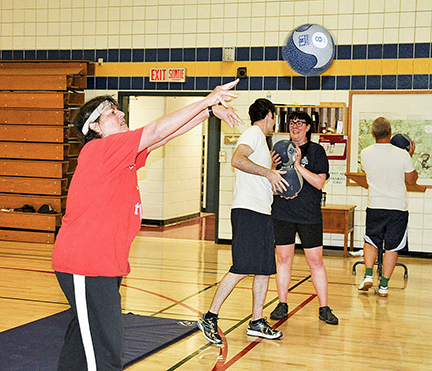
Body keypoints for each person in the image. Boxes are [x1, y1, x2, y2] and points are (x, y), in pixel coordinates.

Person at [51, 79, 243, 371]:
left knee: (83, 339)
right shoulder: (100, 151)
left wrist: (208, 113)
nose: (121, 115)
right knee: (106, 350)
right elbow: (153, 131)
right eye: (112, 113)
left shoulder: (120, 158)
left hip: (102, 265)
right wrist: (206, 101)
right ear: (95, 127)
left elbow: (160, 138)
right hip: (85, 265)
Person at [197, 98, 288, 344]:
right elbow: (237, 160)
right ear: (270, 114)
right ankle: (209, 316)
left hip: (261, 212)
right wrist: (268, 171)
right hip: (248, 212)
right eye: (274, 117)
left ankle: (257, 322)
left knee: (265, 269)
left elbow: (254, 172)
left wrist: (269, 168)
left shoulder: (260, 141)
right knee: (241, 269)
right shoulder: (254, 133)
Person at [270, 111, 338, 325]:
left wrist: (298, 165)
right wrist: (272, 169)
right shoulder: (280, 149)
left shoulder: (317, 151)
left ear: (308, 127)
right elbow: (270, 186)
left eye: (300, 123)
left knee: (316, 262)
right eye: (292, 123)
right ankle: (282, 303)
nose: (295, 126)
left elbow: (319, 182)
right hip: (283, 213)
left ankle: (324, 307)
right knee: (283, 260)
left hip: (309, 215)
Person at [358, 117, 418, 297]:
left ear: (372, 133)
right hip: (397, 207)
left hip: (375, 205)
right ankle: (383, 286)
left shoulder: (365, 153)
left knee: (371, 240)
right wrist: (410, 156)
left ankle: (368, 274)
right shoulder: (402, 155)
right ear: (390, 132)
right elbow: (411, 180)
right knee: (393, 246)